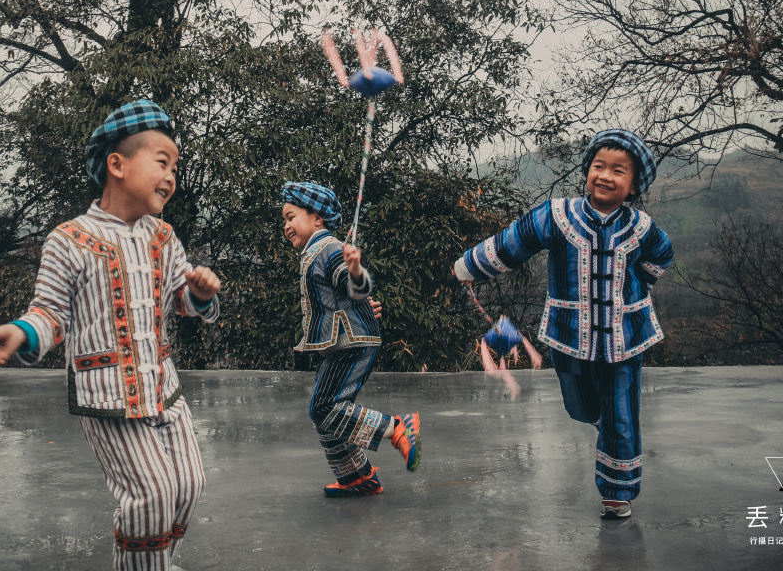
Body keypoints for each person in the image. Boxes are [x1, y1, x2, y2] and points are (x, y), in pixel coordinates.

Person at [0, 100, 221, 571]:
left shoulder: (165, 238)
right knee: (150, 495)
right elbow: (49, 314)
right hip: (109, 399)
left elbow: (182, 303)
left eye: (176, 167)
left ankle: (154, 564)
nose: (172, 176)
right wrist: (21, 333)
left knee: (188, 486)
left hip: (165, 392)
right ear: (117, 164)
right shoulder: (68, 240)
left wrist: (200, 293)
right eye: (162, 162)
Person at [453, 129, 674, 519]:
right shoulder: (557, 216)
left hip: (625, 337)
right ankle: (606, 425)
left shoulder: (642, 227)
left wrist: (639, 286)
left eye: (618, 171)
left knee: (622, 408)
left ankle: (616, 492)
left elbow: (661, 255)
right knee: (581, 406)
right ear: (587, 170)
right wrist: (470, 265)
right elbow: (513, 241)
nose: (605, 175)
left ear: (635, 184)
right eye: (598, 166)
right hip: (570, 336)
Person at [280, 181, 421, 497]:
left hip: (352, 342)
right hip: (343, 341)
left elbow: (355, 283)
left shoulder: (329, 249)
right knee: (322, 408)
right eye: (284, 220)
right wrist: (358, 302)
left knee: (327, 407)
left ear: (317, 218)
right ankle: (356, 476)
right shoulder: (313, 252)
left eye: (291, 217)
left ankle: (398, 428)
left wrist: (356, 270)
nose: (286, 226)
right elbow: (343, 295)